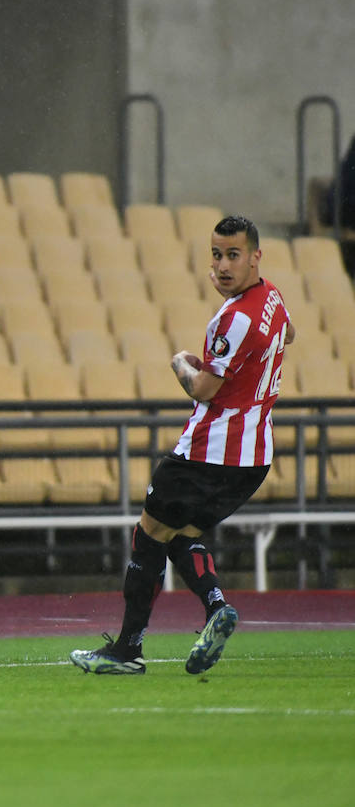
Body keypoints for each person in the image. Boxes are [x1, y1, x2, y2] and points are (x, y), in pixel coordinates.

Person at [71, 215, 293, 676]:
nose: (224, 265)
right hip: (254, 459)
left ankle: (127, 650)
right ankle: (216, 608)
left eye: (234, 255)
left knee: (148, 535)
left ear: (256, 255)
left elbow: (204, 389)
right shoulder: (270, 297)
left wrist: (180, 364)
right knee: (183, 535)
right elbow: (287, 335)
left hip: (206, 451)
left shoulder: (233, 319)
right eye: (217, 255)